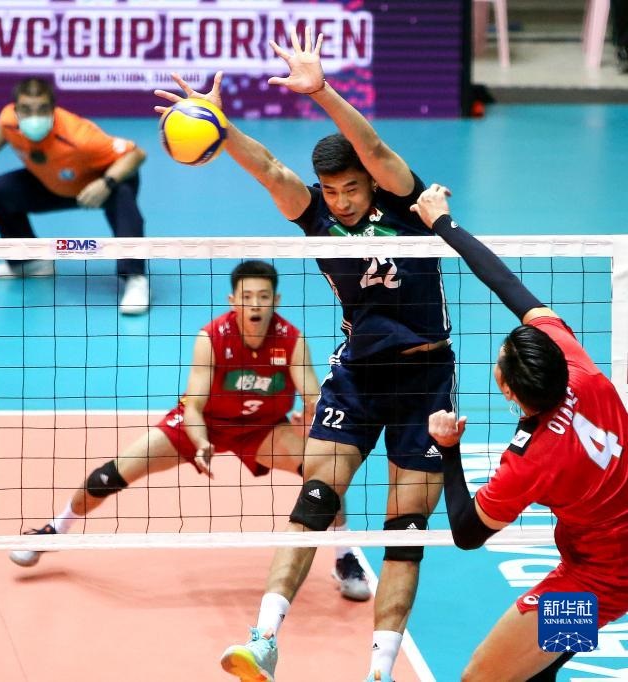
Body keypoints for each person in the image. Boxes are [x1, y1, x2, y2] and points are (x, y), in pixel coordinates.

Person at [155, 28, 455, 682]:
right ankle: (263, 639)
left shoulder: (407, 207)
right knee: (315, 500)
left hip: (425, 378)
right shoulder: (315, 215)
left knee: (405, 532)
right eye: (331, 189)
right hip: (358, 376)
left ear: (369, 183)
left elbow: (374, 148)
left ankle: (379, 671)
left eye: (350, 189)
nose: (340, 201)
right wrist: (221, 128)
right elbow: (270, 169)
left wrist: (320, 92)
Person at [10, 260, 371, 602]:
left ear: (275, 301)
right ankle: (55, 530)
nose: (255, 305)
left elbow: (312, 394)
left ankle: (344, 556)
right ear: (233, 301)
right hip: (203, 424)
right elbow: (194, 405)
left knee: (325, 471)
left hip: (261, 430)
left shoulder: (291, 340)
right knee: (108, 476)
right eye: (247, 297)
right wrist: (199, 443)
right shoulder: (212, 338)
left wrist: (312, 415)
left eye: (263, 297)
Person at [412, 184, 628, 682]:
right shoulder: (578, 368)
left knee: (481, 678)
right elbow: (505, 283)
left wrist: (448, 450)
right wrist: (443, 223)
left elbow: (467, 532)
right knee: (535, 672)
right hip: (608, 556)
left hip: (598, 580)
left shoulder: (530, 462)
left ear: (507, 389)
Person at [0, 77, 150, 315]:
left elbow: (136, 154)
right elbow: (2, 130)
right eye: (26, 109)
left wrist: (106, 183)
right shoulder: (9, 119)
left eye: (42, 109)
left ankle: (135, 278)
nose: (34, 116)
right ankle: (29, 263)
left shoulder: (80, 137)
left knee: (123, 198)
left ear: (53, 109)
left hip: (100, 184)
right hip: (55, 182)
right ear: (16, 110)